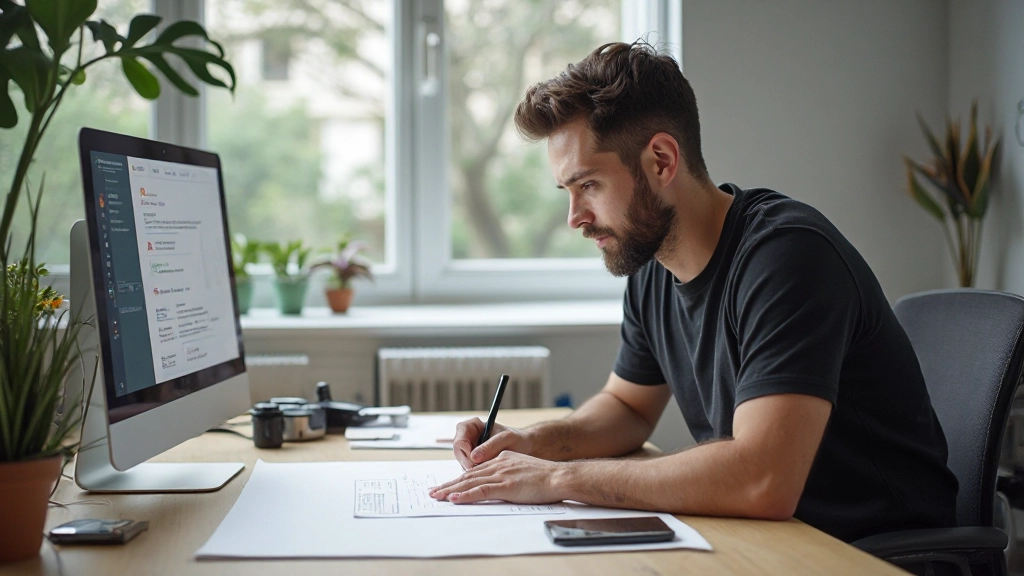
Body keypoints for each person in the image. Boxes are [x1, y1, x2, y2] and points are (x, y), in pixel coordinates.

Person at [428, 41, 958, 543]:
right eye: (567, 191)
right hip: (764, 539)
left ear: (661, 161)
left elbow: (762, 479)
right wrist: (532, 445)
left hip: (866, 553)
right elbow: (627, 408)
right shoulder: (650, 263)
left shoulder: (789, 256)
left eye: (588, 185)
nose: (575, 218)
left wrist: (557, 480)